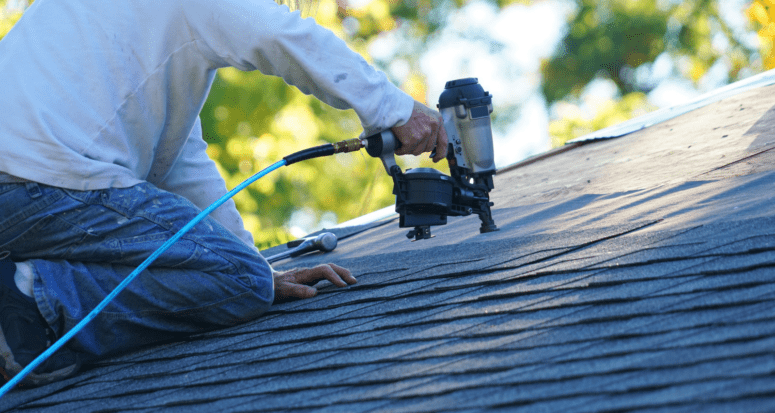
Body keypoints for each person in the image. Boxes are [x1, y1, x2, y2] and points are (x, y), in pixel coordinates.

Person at [0, 0, 448, 387]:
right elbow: (278, 33)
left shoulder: (143, 42)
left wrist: (256, 266)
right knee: (241, 284)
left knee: (245, 277)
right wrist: (393, 108)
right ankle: (28, 302)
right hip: (42, 178)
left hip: (28, 181)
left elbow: (180, 163)